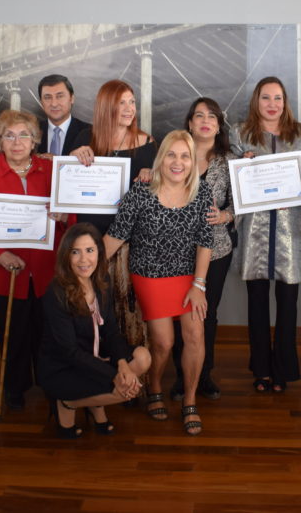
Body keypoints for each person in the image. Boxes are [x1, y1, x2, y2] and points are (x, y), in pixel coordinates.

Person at [103, 130, 213, 435]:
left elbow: (206, 240)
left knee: (194, 334)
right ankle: (154, 387)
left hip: (188, 277)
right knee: (163, 343)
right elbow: (116, 234)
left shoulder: (201, 193)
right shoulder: (141, 191)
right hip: (149, 275)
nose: (178, 162)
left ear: (192, 162)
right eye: (171, 154)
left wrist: (199, 285)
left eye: (185, 156)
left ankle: (190, 401)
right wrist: (83, 265)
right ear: (161, 157)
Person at [0, 110, 60, 410]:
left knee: (46, 333)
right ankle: (14, 388)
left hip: (46, 269)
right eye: (9, 135)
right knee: (13, 334)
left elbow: (69, 216)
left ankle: (50, 385)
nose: (17, 141)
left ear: (35, 141)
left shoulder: (52, 169)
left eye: (24, 135)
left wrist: (63, 215)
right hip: (4, 269)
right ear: (0, 141)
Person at [230, 76, 301, 394]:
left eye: (277, 98)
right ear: (256, 101)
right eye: (265, 98)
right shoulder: (240, 134)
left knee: (288, 302)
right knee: (256, 302)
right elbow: (229, 175)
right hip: (254, 228)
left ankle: (283, 368)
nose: (272, 104)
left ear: (285, 101)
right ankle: (261, 369)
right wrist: (239, 163)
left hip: (290, 228)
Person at [38, 223, 151, 438]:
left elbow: (110, 330)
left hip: (93, 358)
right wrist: (116, 376)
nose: (84, 260)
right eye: (75, 252)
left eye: (90, 250)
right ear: (66, 256)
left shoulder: (101, 281)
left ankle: (94, 403)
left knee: (142, 358)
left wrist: (121, 364)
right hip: (63, 369)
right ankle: (67, 402)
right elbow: (69, 353)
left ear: (99, 252)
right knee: (124, 391)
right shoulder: (56, 293)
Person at [69, 79, 157, 348]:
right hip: (93, 239)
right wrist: (73, 157)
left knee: (131, 309)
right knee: (96, 304)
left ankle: (133, 370)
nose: (130, 108)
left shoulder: (148, 143)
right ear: (108, 106)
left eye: (132, 101)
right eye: (122, 102)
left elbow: (160, 194)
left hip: (134, 242)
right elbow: (66, 183)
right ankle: (97, 365)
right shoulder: (86, 139)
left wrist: (153, 178)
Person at [169, 98, 236, 402]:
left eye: (212, 116)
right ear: (190, 124)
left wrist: (225, 216)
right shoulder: (176, 156)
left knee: (205, 313)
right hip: (175, 249)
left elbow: (241, 203)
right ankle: (181, 378)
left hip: (217, 249)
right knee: (178, 312)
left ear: (219, 125)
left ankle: (203, 375)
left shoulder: (230, 161)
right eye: (199, 116)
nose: (205, 120)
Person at [36, 74, 90, 157]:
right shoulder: (31, 132)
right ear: (41, 102)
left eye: (60, 96)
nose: (54, 104)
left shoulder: (91, 133)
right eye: (47, 97)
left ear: (71, 99)